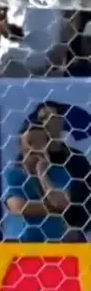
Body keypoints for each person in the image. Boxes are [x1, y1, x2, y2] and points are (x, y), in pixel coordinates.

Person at [2, 123, 72, 242]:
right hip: (20, 244)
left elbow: (62, 203)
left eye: (40, 143)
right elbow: (19, 207)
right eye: (31, 142)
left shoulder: (60, 172)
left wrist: (42, 173)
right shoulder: (11, 175)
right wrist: (54, 209)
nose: (35, 147)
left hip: (54, 243)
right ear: (20, 146)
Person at [33, 102, 91, 240]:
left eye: (52, 117)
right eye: (42, 118)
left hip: (76, 233)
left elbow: (87, 196)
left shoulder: (77, 159)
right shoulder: (31, 159)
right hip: (40, 234)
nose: (47, 122)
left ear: (61, 121)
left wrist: (79, 228)